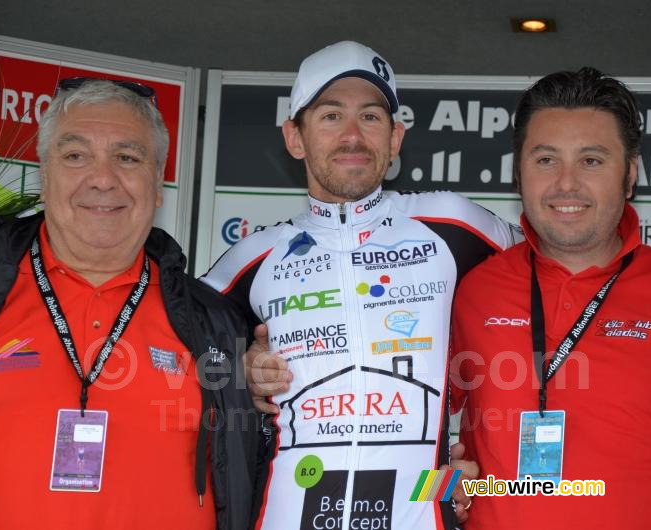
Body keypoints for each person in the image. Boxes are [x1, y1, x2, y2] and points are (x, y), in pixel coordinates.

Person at [202, 41, 520, 529]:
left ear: (395, 138)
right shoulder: (254, 257)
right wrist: (239, 372)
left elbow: (558, 289)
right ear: (295, 137)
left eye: (370, 118)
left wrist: (478, 480)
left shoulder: (452, 224)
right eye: (331, 116)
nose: (353, 135)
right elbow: (179, 354)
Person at [0, 79, 256, 529]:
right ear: (44, 176)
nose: (103, 179)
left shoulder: (218, 323)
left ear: (159, 182)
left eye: (127, 158)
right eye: (76, 156)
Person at [450, 67, 651, 529]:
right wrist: (448, 491)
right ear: (517, 174)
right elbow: (413, 442)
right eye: (545, 160)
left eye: (591, 160)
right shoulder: (473, 292)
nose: (567, 184)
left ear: (630, 175)